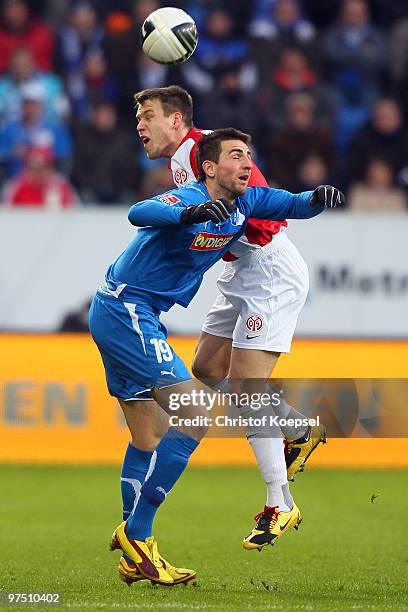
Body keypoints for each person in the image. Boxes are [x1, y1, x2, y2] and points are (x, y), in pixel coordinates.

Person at [91, 126, 343, 586]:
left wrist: (317, 198)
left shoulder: (247, 201)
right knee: (196, 412)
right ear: (209, 168)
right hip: (127, 311)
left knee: (148, 434)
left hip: (128, 312)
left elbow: (291, 203)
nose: (247, 164)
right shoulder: (185, 196)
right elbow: (138, 211)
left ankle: (135, 550)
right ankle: (138, 534)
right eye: (235, 157)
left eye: (249, 155)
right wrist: (190, 212)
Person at [134, 86, 331, 553]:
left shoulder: (206, 155)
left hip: (268, 269)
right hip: (237, 269)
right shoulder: (188, 160)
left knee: (246, 390)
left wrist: (309, 199)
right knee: (205, 370)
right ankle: (297, 429)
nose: (139, 126)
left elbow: (260, 202)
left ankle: (279, 502)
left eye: (147, 116)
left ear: (177, 120)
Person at [1, 144, 79, 208]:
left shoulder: (62, 186)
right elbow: (6, 212)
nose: (38, 172)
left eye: (43, 167)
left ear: (50, 167)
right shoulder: (16, 186)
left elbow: (75, 213)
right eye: (33, 168)